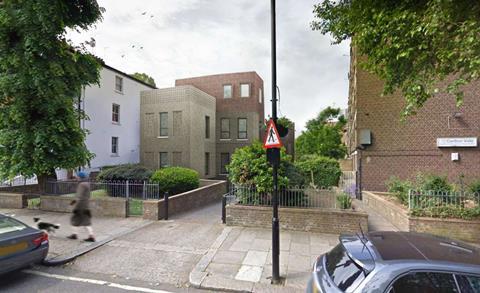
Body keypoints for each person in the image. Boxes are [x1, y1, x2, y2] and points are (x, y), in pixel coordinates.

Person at [67, 171, 95, 242]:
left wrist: (74, 204)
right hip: (86, 205)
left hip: (80, 206)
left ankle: (75, 235)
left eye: (77, 176)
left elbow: (79, 197)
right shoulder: (87, 184)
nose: (77, 178)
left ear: (80, 177)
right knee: (86, 221)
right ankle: (90, 235)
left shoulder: (81, 185)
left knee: (74, 219)